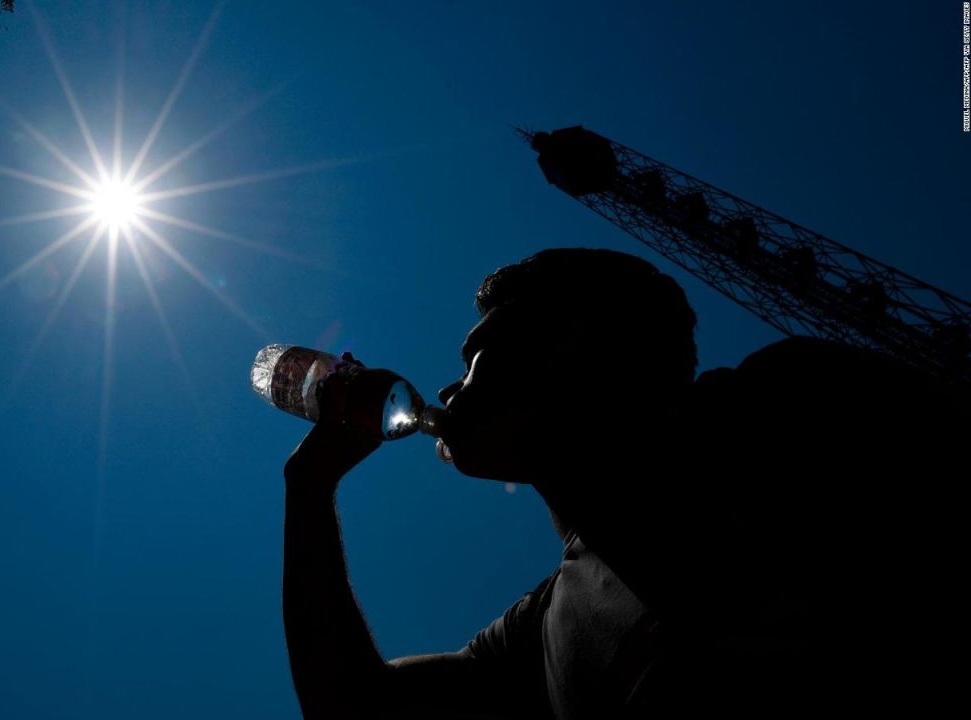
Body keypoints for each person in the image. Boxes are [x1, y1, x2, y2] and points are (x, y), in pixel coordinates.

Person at [280, 248, 964, 719]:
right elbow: (355, 707)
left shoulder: (793, 407)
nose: (450, 386)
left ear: (572, 344)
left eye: (479, 353)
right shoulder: (541, 629)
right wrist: (308, 488)